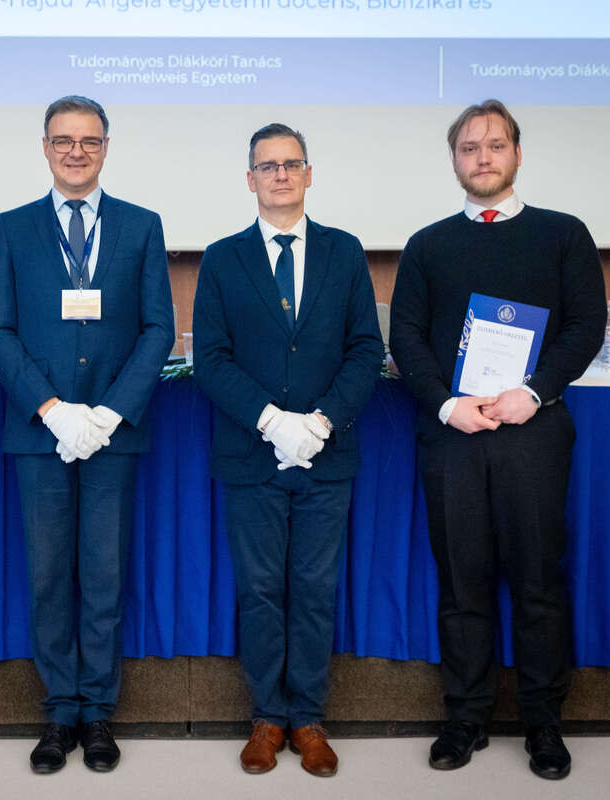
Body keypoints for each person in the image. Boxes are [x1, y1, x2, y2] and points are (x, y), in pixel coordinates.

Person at [389, 100, 606, 780]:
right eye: (469, 147)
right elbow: (406, 338)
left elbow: (585, 327)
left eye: (495, 145)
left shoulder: (563, 234)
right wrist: (448, 403)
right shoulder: (427, 245)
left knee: (539, 583)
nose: (482, 157)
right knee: (462, 584)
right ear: (454, 160)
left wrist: (531, 392)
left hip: (533, 433)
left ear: (516, 154)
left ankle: (544, 722)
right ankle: (466, 717)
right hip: (453, 435)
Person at [0, 95, 174, 774]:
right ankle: (59, 712)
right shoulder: (11, 228)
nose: (76, 152)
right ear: (45, 147)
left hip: (112, 436)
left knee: (103, 575)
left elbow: (158, 329)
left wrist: (110, 412)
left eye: (89, 141)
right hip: (41, 435)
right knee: (47, 579)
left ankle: (98, 713)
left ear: (105, 148)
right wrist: (51, 408)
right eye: (63, 140)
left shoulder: (141, 226)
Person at [193, 123, 383, 777]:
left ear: (309, 173)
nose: (280, 175)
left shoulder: (344, 251)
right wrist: (272, 421)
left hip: (328, 455)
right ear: (249, 179)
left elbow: (365, 349)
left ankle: (308, 718)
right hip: (252, 455)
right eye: (267, 166)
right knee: (259, 591)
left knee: (315, 589)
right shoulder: (222, 258)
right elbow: (210, 358)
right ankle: (268, 717)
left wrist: (321, 423)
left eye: (291, 163)